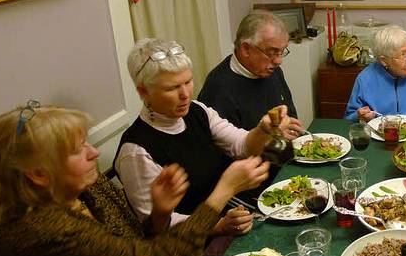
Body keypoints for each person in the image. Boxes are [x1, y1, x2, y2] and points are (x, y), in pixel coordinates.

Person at [0, 102, 270, 256]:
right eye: (77, 150)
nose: (94, 153)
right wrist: (223, 191)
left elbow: (136, 245)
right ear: (38, 175)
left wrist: (160, 212)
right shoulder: (44, 234)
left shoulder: (89, 188)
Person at [115, 38, 299, 232]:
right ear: (144, 92)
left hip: (229, 215)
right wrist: (217, 226)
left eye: (188, 81)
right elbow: (158, 227)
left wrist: (263, 129)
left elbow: (242, 147)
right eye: (172, 88)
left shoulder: (197, 110)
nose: (185, 94)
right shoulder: (136, 151)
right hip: (192, 246)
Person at [199, 10, 302, 132]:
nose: (279, 61)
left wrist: (291, 127)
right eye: (272, 52)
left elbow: (290, 114)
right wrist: (275, 138)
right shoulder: (218, 87)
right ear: (245, 49)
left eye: (282, 51)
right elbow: (229, 147)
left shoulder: (273, 71)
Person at [344, 25, 406, 122]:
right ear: (384, 61)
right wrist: (360, 117)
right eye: (403, 54)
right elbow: (349, 118)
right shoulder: (365, 78)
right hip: (379, 132)